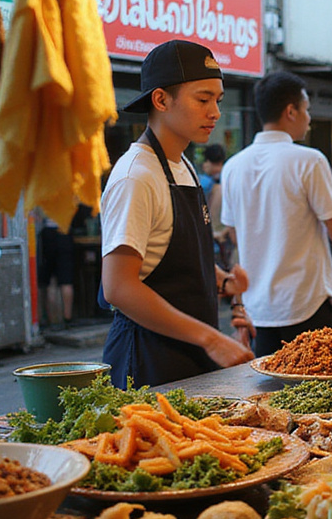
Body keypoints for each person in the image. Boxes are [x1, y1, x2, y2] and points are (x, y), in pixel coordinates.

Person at [100, 40, 254, 389]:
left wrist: (224, 281)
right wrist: (213, 339)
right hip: (147, 362)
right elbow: (119, 287)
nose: (214, 112)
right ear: (160, 99)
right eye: (203, 99)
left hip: (189, 354)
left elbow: (171, 257)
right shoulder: (136, 175)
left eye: (218, 100)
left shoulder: (182, 164)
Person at [220, 71, 332, 358]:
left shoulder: (233, 166)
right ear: (290, 111)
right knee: (316, 395)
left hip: (259, 308)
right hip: (306, 302)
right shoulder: (309, 160)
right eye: (306, 110)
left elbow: (233, 235)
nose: (309, 118)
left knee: (267, 394)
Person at [36, 211, 75, 329]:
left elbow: (37, 215)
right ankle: (67, 318)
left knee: (47, 281)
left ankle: (49, 319)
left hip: (48, 233)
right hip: (65, 231)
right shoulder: (70, 193)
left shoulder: (42, 194)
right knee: (66, 281)